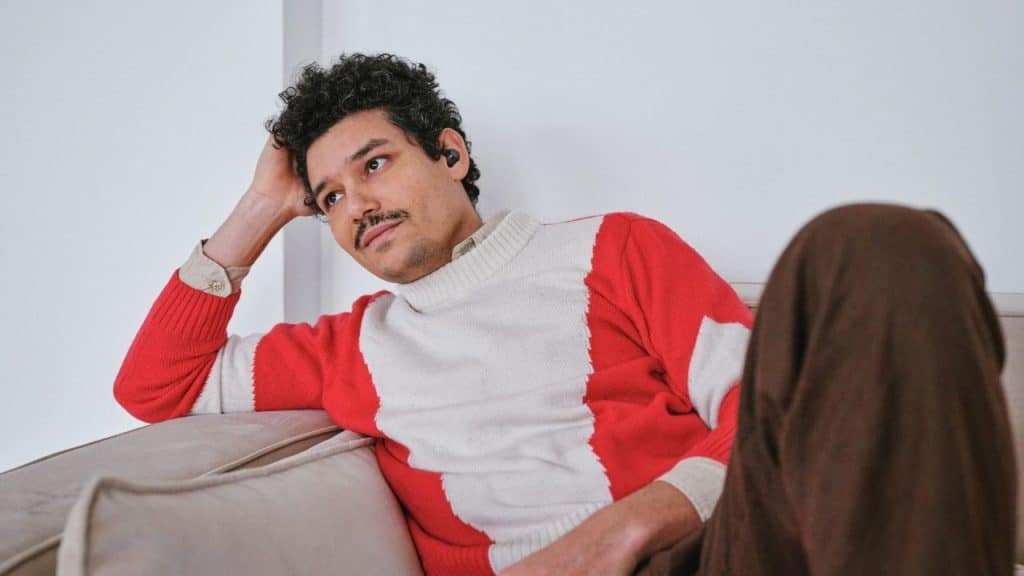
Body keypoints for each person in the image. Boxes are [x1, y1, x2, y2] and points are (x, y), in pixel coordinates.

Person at [113, 53, 1016, 575]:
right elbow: (155, 386)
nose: (356, 206)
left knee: (877, 242)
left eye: (374, 164)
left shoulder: (616, 249)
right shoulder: (348, 348)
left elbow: (758, 413)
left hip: (713, 554)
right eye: (330, 198)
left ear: (451, 153)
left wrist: (625, 527)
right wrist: (262, 206)